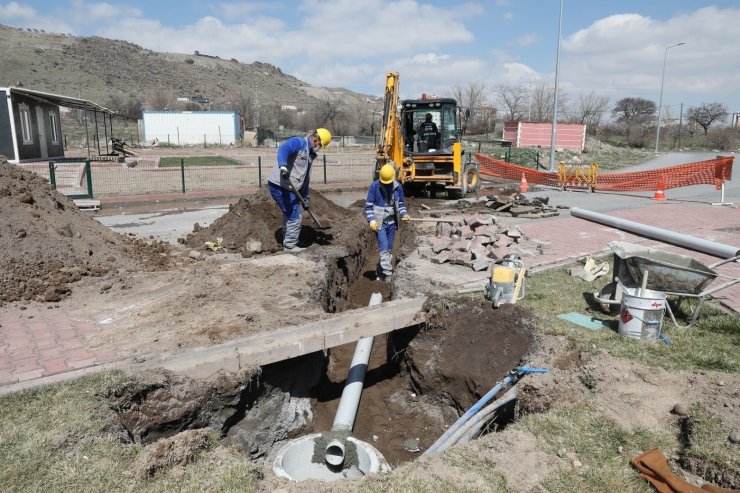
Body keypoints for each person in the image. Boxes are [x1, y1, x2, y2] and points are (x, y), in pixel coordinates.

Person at [268, 128, 332, 252]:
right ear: (315, 140)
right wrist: (283, 166)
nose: (319, 147)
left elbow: (305, 179)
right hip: (280, 185)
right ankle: (290, 246)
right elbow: (283, 149)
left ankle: (288, 240)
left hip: (290, 188)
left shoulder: (309, 155)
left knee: (290, 213)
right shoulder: (298, 142)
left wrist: (305, 197)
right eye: (320, 145)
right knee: (295, 215)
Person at [365, 163, 410, 281]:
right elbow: (368, 206)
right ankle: (388, 275)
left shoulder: (398, 187)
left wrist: (404, 214)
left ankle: (380, 273)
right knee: (384, 248)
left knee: (389, 249)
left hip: (391, 222)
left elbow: (400, 204)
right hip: (379, 223)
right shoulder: (374, 187)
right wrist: (371, 220)